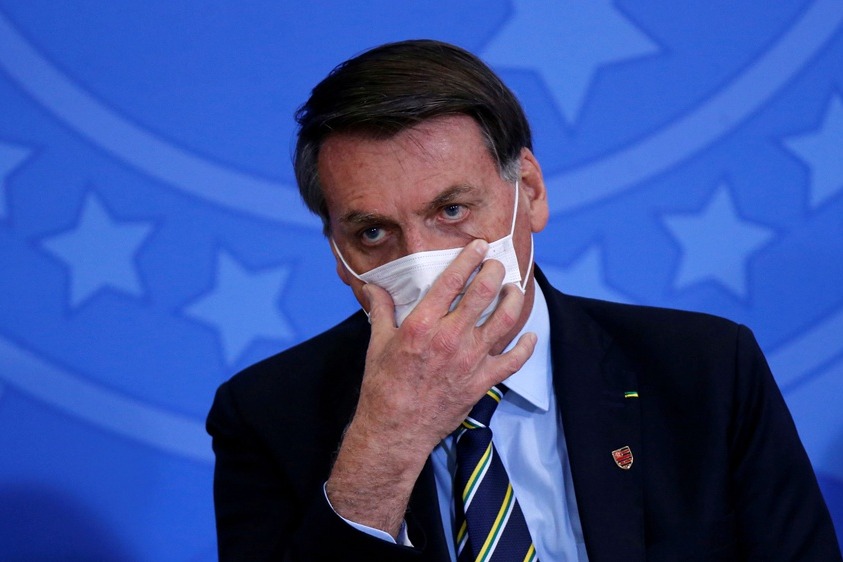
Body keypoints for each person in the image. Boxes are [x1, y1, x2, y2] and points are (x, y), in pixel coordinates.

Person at [206, 39, 841, 561]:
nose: (425, 261)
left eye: (451, 211)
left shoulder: (705, 370)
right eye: (373, 232)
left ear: (530, 192)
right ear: (337, 252)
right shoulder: (268, 416)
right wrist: (388, 442)